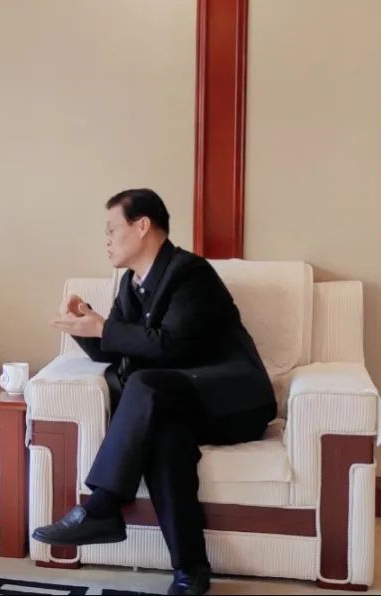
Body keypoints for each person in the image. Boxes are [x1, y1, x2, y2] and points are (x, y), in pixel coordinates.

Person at [33, 188, 276, 596]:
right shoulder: (131, 284)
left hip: (235, 401)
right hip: (181, 404)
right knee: (165, 439)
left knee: (145, 384)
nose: (107, 240)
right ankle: (191, 573)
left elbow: (170, 345)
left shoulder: (190, 273)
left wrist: (105, 328)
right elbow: (120, 351)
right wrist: (84, 326)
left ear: (142, 225)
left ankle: (103, 506)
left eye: (112, 229)